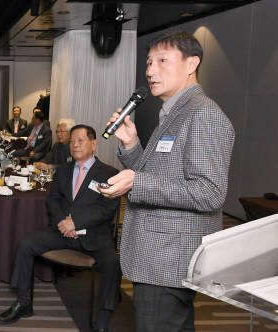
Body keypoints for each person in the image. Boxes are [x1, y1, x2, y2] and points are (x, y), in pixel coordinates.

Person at [99, 31, 234, 332]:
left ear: (192, 64)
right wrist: (132, 146)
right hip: (160, 257)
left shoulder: (203, 115)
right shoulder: (174, 113)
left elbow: (209, 192)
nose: (150, 70)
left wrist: (137, 182)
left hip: (169, 257)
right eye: (148, 62)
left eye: (162, 61)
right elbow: (161, 176)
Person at [0, 125, 121, 331]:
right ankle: (23, 302)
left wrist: (76, 222)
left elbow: (107, 208)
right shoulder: (63, 170)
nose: (75, 144)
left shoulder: (109, 173)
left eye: (81, 140)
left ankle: (103, 318)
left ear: (94, 144)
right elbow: (53, 201)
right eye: (72, 141)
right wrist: (64, 224)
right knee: (26, 244)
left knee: (112, 262)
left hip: (94, 235)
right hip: (62, 232)